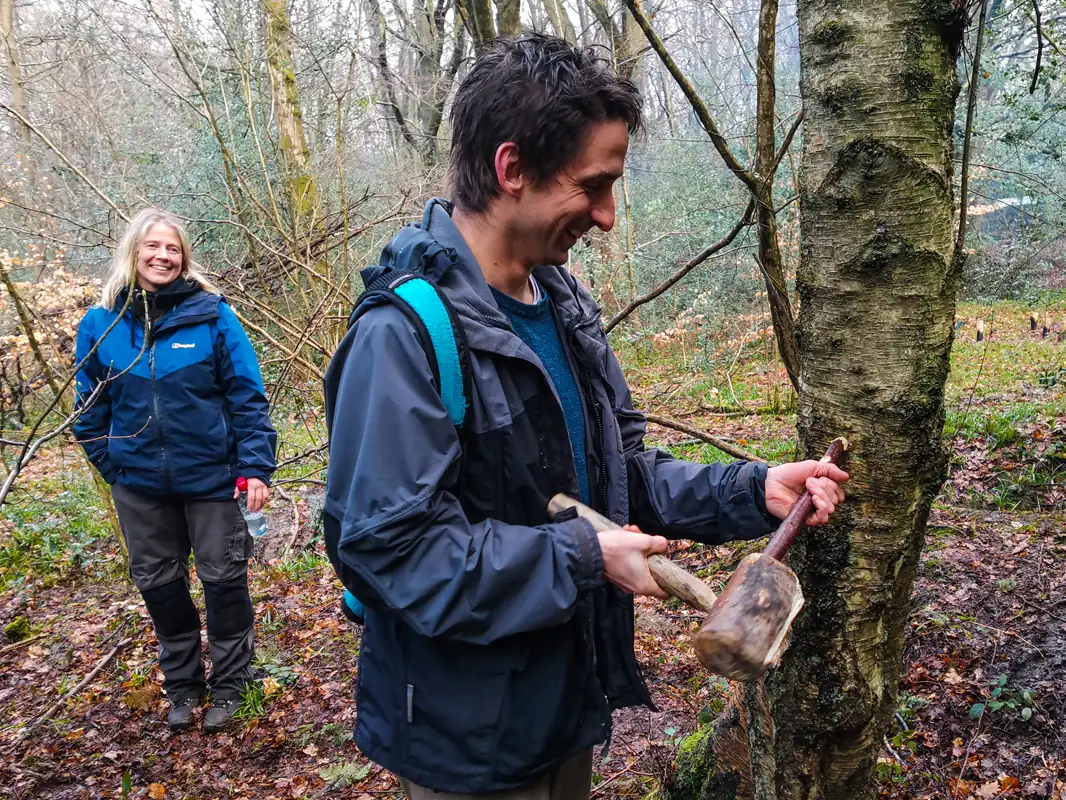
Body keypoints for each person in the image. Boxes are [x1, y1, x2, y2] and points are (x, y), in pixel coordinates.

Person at [323, 34, 848, 800]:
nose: (606, 216)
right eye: (592, 186)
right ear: (512, 170)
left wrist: (754, 489)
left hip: (563, 704)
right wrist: (582, 558)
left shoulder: (562, 304)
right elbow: (392, 551)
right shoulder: (401, 337)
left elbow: (620, 475)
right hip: (466, 740)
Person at [74, 208, 277, 733]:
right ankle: (183, 686)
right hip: (139, 488)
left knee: (223, 581)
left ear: (183, 257)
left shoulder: (212, 316)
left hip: (212, 480)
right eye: (153, 247)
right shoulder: (101, 324)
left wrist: (254, 467)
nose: (163, 256)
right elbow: (88, 409)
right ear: (133, 252)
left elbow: (246, 397)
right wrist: (114, 466)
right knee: (160, 586)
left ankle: (232, 685)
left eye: (172, 249)